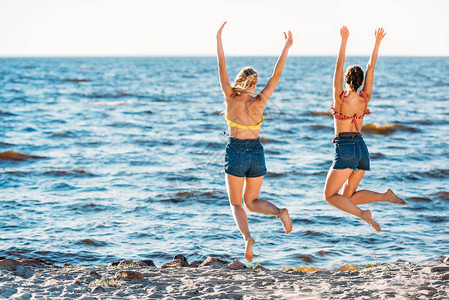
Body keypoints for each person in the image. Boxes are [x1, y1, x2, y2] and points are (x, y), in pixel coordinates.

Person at [216, 21, 293, 261]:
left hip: (236, 151)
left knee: (237, 203)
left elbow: (221, 66)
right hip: (257, 152)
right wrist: (287, 47)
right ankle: (280, 212)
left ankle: (248, 238)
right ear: (255, 84)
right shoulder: (261, 100)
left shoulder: (230, 97)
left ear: (239, 81)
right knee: (252, 201)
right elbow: (276, 74)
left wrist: (218, 39)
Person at [323, 26, 405, 232]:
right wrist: (377, 42)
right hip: (362, 149)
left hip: (346, 147)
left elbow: (338, 64)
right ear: (360, 82)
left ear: (346, 80)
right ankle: (384, 196)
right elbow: (372, 66)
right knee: (347, 197)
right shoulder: (364, 98)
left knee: (330, 197)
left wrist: (344, 40)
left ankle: (363, 214)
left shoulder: (339, 98)